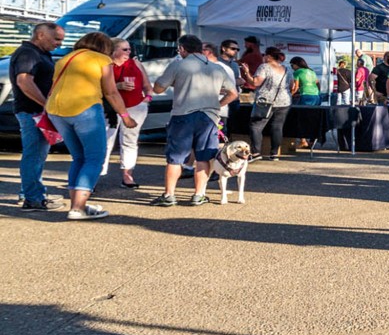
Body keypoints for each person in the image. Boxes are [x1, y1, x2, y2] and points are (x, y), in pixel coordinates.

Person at [45, 31, 137, 220]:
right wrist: (125, 116)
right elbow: (111, 92)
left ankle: (77, 205)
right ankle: (78, 208)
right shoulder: (101, 60)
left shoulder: (66, 58)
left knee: (78, 158)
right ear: (105, 48)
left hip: (56, 111)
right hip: (85, 108)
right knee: (95, 158)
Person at [149, 35, 237, 206]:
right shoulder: (218, 68)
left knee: (176, 157)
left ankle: (168, 195)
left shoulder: (178, 64)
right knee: (203, 157)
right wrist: (217, 105)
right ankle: (198, 195)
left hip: (183, 115)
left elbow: (158, 88)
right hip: (209, 118)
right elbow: (233, 93)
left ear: (182, 48)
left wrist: (176, 83)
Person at [10, 22, 66, 211]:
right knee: (34, 155)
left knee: (37, 155)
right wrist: (46, 105)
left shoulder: (39, 53)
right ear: (41, 35)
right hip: (32, 111)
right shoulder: (28, 53)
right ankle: (33, 198)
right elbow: (24, 81)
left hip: (36, 111)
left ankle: (31, 193)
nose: (59, 43)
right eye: (56, 39)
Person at [99, 38, 153, 188]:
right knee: (106, 141)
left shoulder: (135, 63)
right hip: (111, 107)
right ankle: (96, 175)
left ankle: (127, 175)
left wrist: (147, 98)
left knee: (130, 140)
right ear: (113, 50)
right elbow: (98, 87)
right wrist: (118, 85)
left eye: (129, 49)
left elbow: (147, 86)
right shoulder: (105, 65)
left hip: (135, 106)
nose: (128, 52)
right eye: (124, 49)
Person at [248, 47, 293, 161]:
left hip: (265, 101)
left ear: (268, 56)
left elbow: (255, 82)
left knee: (256, 126)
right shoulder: (286, 69)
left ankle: (256, 153)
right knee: (277, 127)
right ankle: (274, 154)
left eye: (264, 55)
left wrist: (246, 73)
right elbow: (292, 86)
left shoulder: (264, 67)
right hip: (284, 101)